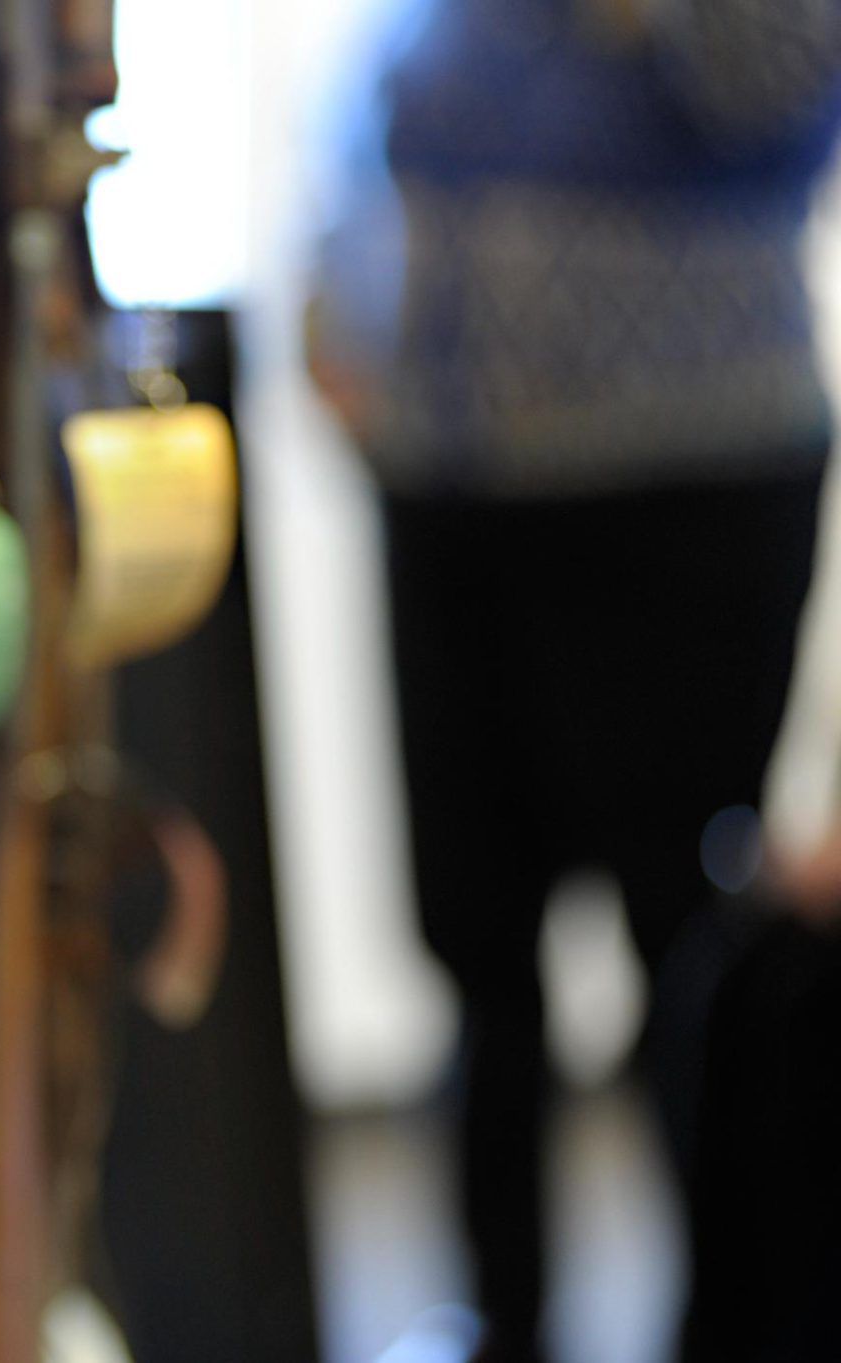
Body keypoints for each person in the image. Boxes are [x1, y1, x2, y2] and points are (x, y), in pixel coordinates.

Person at [308, 2, 841, 1359]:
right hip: (448, 477)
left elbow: (775, 90)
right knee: (476, 946)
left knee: (691, 931)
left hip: (686, 483)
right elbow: (390, 101)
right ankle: (501, 1321)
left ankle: (733, 1322)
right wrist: (327, 300)